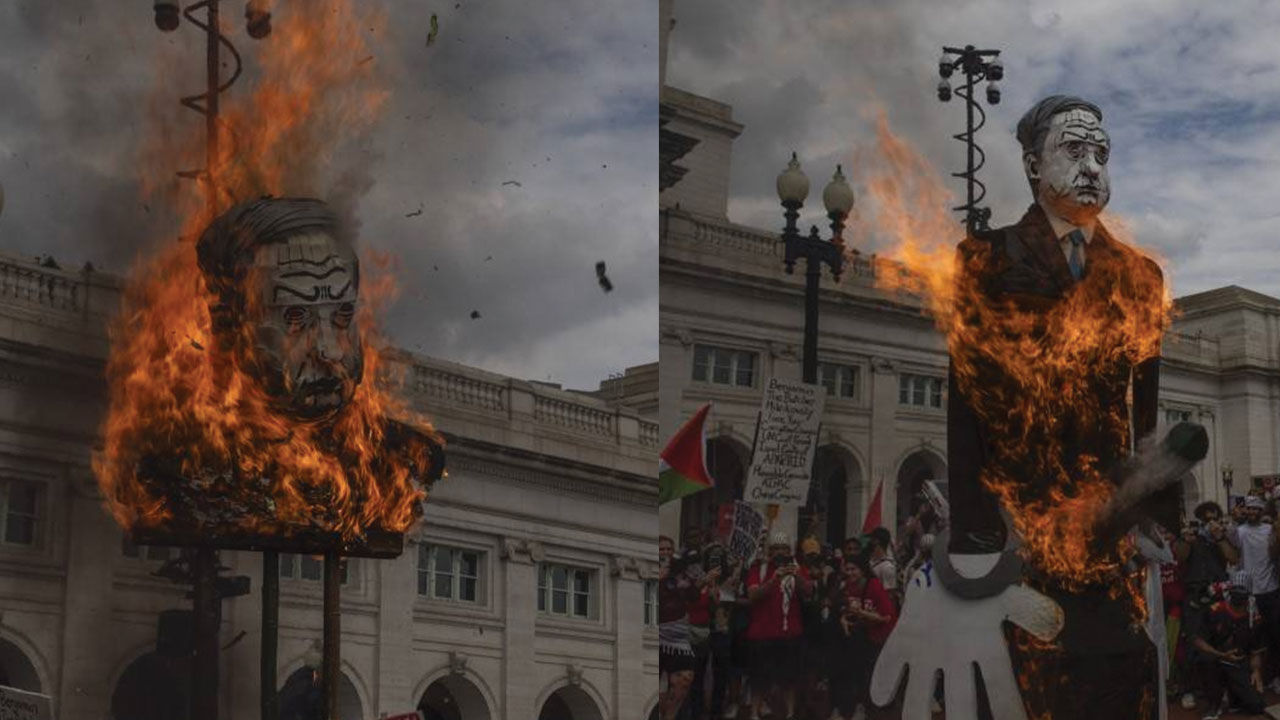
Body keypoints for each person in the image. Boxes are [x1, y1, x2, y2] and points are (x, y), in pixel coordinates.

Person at [744, 532, 812, 720]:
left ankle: (790, 713)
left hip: (790, 632)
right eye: (776, 549)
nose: (780, 553)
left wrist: (795, 575)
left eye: (784, 549)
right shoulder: (759, 569)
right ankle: (754, 713)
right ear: (770, 551)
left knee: (789, 678)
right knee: (759, 678)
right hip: (762, 633)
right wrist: (774, 578)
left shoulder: (797, 568)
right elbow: (753, 596)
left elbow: (808, 591)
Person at [826, 553, 897, 720]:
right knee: (843, 668)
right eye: (847, 569)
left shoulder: (873, 585)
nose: (850, 573)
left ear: (863, 570)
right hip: (857, 636)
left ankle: (862, 707)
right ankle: (840, 708)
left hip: (877, 637)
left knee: (863, 672)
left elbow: (886, 617)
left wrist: (861, 613)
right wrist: (844, 617)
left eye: (854, 569)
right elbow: (842, 608)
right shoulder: (846, 587)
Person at [1192, 572, 1267, 718]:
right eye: (1235, 592)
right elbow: (1197, 640)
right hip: (1216, 658)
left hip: (1237, 663)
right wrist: (1220, 654)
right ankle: (1214, 704)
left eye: (1242, 594)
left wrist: (1256, 671)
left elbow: (1256, 651)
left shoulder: (1254, 617)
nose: (1238, 597)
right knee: (1204, 659)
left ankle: (1233, 696)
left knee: (1257, 705)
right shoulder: (1216, 609)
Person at [1228, 494, 1280, 690]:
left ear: (1262, 511)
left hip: (1271, 591)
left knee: (1275, 636)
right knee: (1249, 638)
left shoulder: (1270, 530)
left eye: (1257, 509)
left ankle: (1274, 677)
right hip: (1249, 594)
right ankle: (1249, 680)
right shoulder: (1239, 532)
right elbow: (1229, 540)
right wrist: (1234, 517)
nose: (1253, 512)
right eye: (1249, 508)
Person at [659, 536, 703, 720]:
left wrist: (694, 578)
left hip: (679, 637)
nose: (666, 553)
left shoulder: (680, 574)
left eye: (669, 549)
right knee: (658, 689)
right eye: (662, 549)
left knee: (684, 678)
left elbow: (693, 596)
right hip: (657, 636)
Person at [866, 527, 899, 609]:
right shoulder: (870, 561)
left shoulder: (887, 567)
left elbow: (890, 595)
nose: (868, 542)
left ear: (876, 541)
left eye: (871, 539)